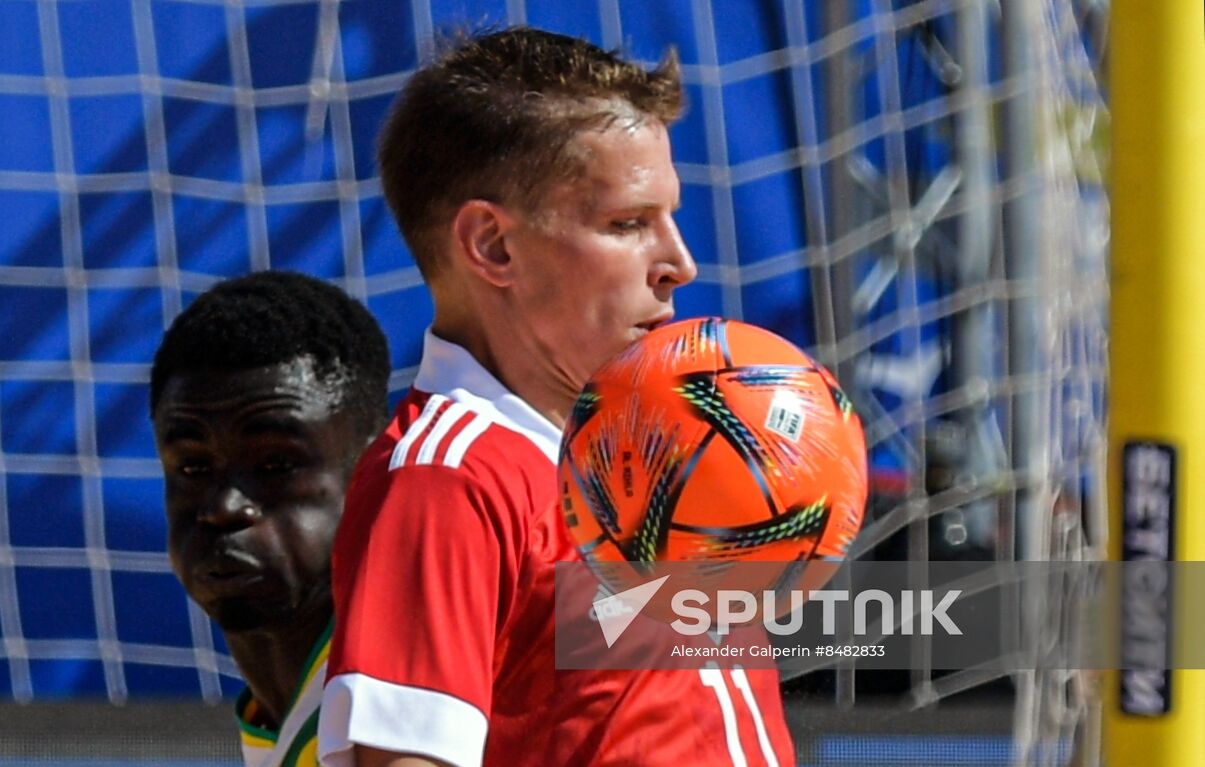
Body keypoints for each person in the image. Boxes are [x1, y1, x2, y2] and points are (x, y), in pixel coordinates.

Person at [318, 27, 796, 767]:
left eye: (669, 216)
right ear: (493, 246)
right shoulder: (445, 478)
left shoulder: (649, 452)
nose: (679, 262)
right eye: (628, 223)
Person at [150, 271, 391, 767]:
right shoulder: (280, 720)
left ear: (371, 469)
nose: (224, 508)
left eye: (276, 465)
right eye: (193, 467)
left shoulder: (423, 679)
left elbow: (594, 628)